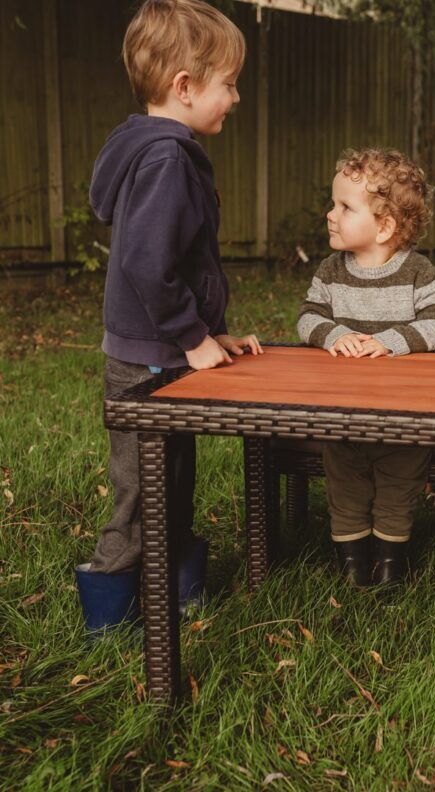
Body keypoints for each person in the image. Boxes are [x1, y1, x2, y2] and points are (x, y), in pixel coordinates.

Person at [76, 0, 262, 631]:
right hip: (147, 356)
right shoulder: (166, 159)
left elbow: (173, 262)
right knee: (138, 492)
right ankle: (107, 616)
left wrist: (209, 336)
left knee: (172, 477)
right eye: (229, 84)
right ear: (184, 87)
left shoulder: (155, 149)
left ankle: (176, 585)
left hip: (168, 347)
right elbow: (146, 263)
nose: (235, 98)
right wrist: (191, 339)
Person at [297, 148, 435, 587]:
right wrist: (333, 335)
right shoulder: (331, 272)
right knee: (343, 478)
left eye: (345, 207)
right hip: (343, 413)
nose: (331, 214)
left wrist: (389, 342)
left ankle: (390, 562)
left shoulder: (419, 274)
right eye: (334, 203)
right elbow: (307, 317)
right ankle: (351, 562)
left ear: (384, 226)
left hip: (403, 415)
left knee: (398, 483)